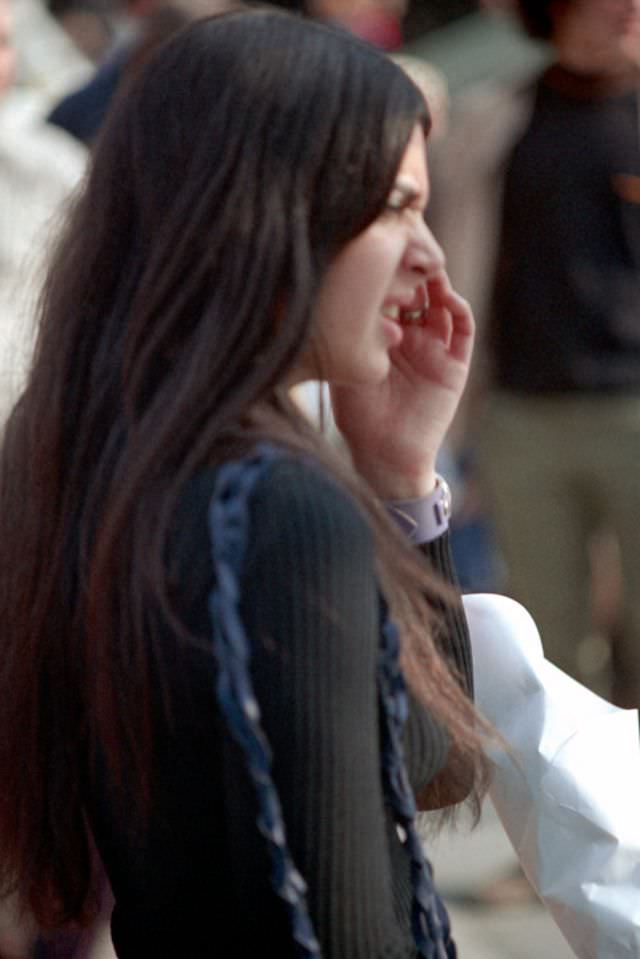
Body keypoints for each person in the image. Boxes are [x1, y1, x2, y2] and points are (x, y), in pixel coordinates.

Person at [0, 10, 490, 957]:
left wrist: (399, 470)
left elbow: (428, 764)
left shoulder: (94, 446)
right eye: (394, 205)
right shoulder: (274, 508)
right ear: (269, 211)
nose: (429, 257)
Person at [472, 0, 640, 708]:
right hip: (524, 410)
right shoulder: (498, 121)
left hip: (632, 405)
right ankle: (593, 818)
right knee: (553, 657)